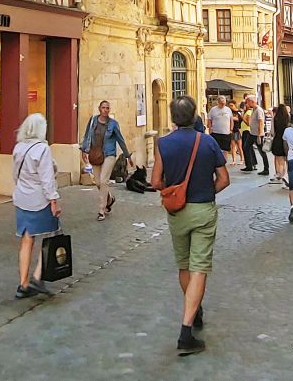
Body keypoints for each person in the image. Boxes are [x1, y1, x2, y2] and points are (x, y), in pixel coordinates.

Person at [151, 95, 230, 357]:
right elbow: (224, 178)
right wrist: (207, 191)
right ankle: (186, 330)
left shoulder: (162, 144)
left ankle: (193, 309)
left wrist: (174, 190)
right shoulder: (207, 142)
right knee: (199, 267)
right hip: (203, 208)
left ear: (173, 117)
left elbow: (155, 181)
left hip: (177, 212)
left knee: (184, 265)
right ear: (195, 115)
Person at [12, 112, 61, 299]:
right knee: (50, 235)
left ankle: (23, 283)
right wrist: (54, 201)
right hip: (39, 199)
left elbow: (14, 174)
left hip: (22, 197)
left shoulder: (18, 148)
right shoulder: (42, 149)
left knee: (26, 238)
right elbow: (47, 179)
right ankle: (37, 276)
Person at [81, 100, 133, 221]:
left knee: (104, 181)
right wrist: (84, 150)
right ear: (99, 108)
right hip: (95, 154)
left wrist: (127, 156)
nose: (105, 110)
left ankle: (101, 210)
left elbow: (120, 140)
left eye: (107, 108)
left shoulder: (113, 124)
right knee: (98, 183)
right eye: (103, 107)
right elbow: (87, 135)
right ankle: (109, 199)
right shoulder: (93, 120)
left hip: (109, 154)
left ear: (109, 110)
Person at [249, 97, 269, 176]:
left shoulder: (258, 110)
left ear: (252, 102)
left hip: (257, 134)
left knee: (262, 151)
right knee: (246, 147)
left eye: (248, 102)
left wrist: (260, 134)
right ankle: (252, 163)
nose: (248, 104)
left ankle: (266, 168)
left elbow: (261, 121)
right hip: (252, 133)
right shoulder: (253, 109)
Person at [270, 103, 290, 184]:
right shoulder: (288, 118)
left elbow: (272, 131)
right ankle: (286, 175)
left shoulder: (275, 118)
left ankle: (280, 175)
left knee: (280, 160)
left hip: (278, 140)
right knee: (287, 159)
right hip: (287, 140)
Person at [240, 95, 258, 172]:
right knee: (248, 148)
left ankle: (250, 164)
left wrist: (242, 118)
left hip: (247, 131)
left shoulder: (249, 112)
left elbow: (248, 123)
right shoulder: (249, 111)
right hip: (245, 131)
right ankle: (251, 164)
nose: (245, 105)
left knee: (247, 148)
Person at [228, 100, 244, 164]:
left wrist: (232, 118)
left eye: (232, 105)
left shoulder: (238, 112)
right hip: (231, 130)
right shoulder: (229, 112)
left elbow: (239, 119)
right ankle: (234, 160)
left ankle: (242, 159)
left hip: (237, 129)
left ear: (235, 105)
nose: (230, 107)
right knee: (232, 146)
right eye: (229, 106)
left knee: (239, 146)